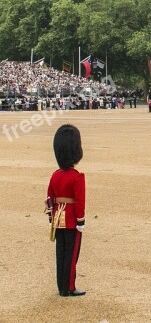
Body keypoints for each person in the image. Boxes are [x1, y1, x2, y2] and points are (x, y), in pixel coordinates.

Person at [45, 125, 87, 297]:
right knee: (71, 255)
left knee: (60, 253)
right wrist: (81, 220)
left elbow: (49, 198)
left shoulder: (55, 175)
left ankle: (61, 286)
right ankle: (69, 287)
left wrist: (51, 216)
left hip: (58, 219)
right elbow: (80, 201)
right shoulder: (77, 176)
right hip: (71, 220)